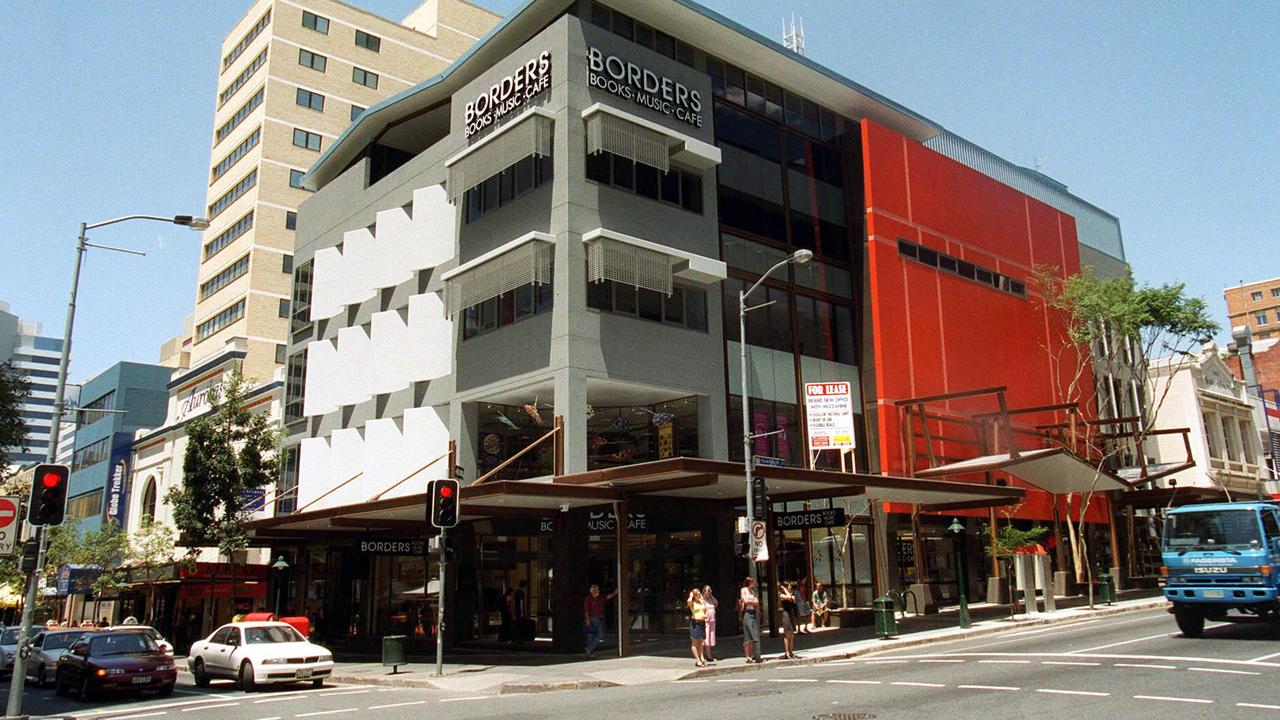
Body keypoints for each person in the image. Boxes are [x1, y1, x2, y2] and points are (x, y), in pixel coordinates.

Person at [582, 583, 618, 659]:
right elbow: (586, 610)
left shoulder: (600, 597)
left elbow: (608, 597)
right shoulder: (588, 598)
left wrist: (615, 593)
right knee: (590, 637)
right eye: (597, 589)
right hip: (591, 619)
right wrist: (587, 620)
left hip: (598, 619)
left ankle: (589, 649)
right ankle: (590, 653)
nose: (599, 590)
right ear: (593, 590)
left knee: (600, 634)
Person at [739, 577, 760, 663]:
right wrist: (752, 601)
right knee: (748, 634)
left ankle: (751, 654)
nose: (753, 584)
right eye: (752, 582)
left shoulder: (753, 591)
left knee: (752, 635)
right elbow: (746, 600)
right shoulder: (744, 590)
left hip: (753, 612)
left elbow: (757, 602)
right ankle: (748, 656)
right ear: (749, 582)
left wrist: (751, 601)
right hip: (746, 613)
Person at [687, 588, 707, 667]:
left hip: (702, 622)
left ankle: (701, 657)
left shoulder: (702, 602)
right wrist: (691, 594)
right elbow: (688, 601)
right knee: (695, 642)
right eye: (698, 594)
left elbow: (705, 609)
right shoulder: (692, 603)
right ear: (694, 596)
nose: (700, 595)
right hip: (695, 622)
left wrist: (705, 615)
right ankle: (697, 660)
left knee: (701, 642)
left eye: (700, 594)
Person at [778, 581, 798, 659]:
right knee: (787, 634)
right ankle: (787, 652)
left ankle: (791, 651)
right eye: (789, 586)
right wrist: (784, 590)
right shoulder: (781, 595)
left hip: (791, 614)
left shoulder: (792, 594)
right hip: (786, 614)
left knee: (792, 635)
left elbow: (792, 598)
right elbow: (789, 598)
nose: (791, 587)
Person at [701, 585, 718, 663]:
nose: (708, 592)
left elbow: (716, 603)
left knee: (710, 637)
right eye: (706, 591)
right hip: (705, 621)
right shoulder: (702, 599)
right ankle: (704, 655)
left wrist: (711, 595)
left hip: (712, 621)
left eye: (709, 591)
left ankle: (709, 655)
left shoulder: (711, 599)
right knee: (705, 638)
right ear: (703, 591)